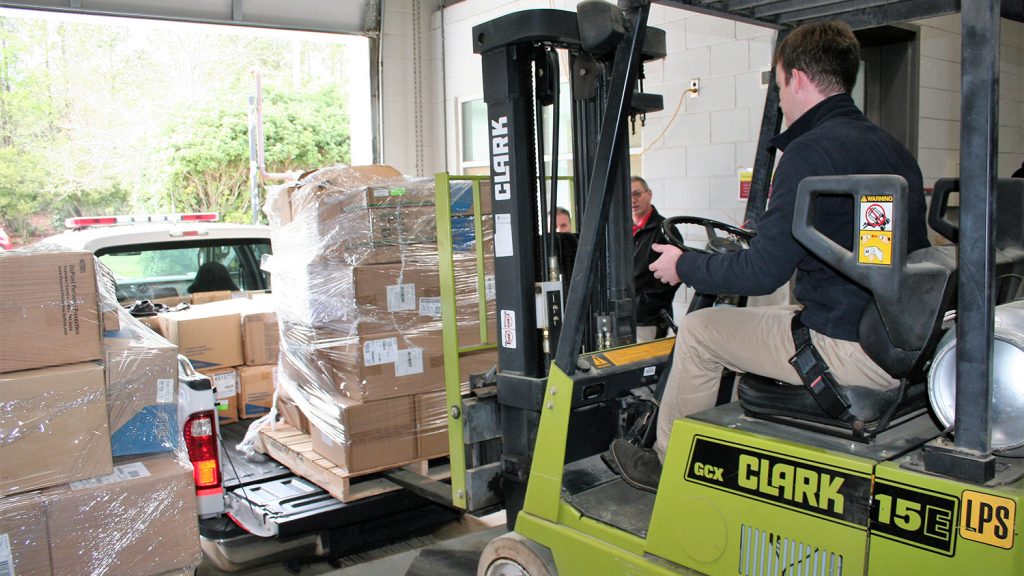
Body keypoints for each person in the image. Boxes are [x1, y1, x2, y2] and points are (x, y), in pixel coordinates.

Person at [610, 20, 928, 492]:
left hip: (843, 346)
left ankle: (669, 466)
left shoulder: (809, 152)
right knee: (769, 319)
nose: (780, 98)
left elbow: (762, 271)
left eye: (778, 84)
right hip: (887, 336)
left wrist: (685, 264)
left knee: (699, 331)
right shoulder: (893, 150)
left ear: (797, 78)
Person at [630, 176, 680, 341]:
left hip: (647, 321)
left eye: (637, 194)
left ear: (649, 194)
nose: (633, 200)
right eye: (628, 195)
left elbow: (667, 284)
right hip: (620, 317)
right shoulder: (620, 231)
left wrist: (637, 307)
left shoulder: (665, 231)